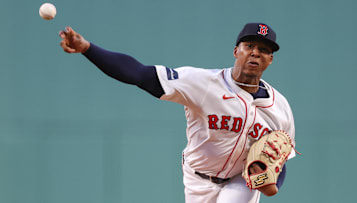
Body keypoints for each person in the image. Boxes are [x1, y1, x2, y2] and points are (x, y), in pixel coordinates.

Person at [59, 22, 297, 203]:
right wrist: (87, 49)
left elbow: (279, 155)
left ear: (270, 60)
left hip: (240, 181)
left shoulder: (280, 107)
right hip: (197, 178)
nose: (255, 53)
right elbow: (139, 74)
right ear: (236, 51)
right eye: (249, 46)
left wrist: (273, 184)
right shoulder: (204, 83)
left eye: (264, 49)